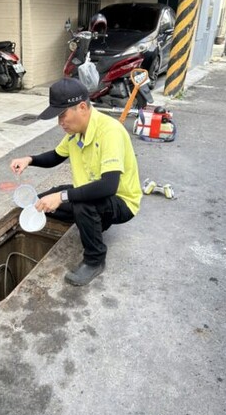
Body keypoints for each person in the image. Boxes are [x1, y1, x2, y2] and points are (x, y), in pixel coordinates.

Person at [10, 77, 142, 286]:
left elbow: (109, 186)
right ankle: (94, 223)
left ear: (82, 107)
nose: (60, 122)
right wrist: (30, 159)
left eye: (63, 115)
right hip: (93, 192)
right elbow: (56, 156)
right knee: (45, 201)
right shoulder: (75, 132)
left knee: (78, 202)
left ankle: (95, 260)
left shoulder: (110, 131)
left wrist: (62, 197)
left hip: (120, 201)